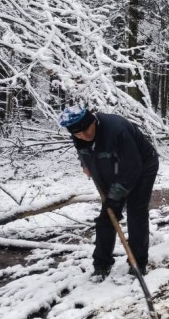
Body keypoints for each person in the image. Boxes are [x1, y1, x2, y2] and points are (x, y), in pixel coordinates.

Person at [59, 107, 160, 281]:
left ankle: (138, 263)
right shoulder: (79, 132)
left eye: (85, 130)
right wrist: (85, 164)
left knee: (136, 212)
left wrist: (115, 197)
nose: (82, 135)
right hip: (109, 165)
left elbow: (131, 169)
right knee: (106, 215)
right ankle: (101, 264)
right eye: (77, 134)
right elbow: (82, 149)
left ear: (93, 122)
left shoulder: (117, 130)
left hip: (142, 166)